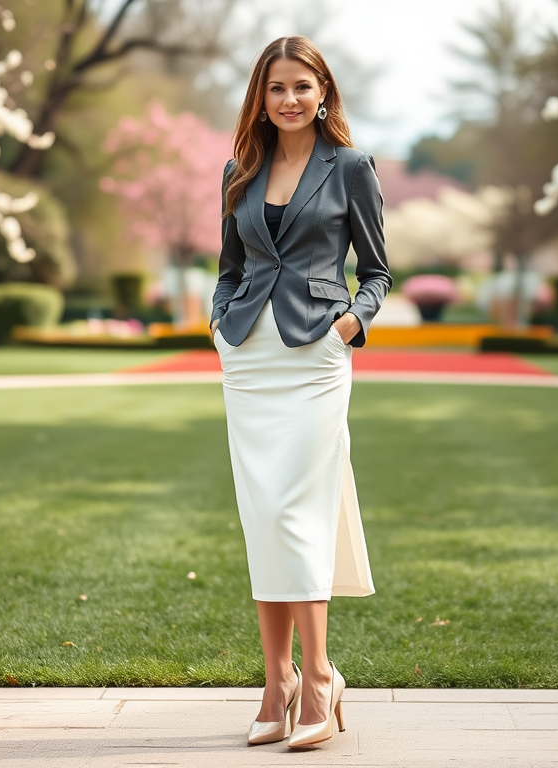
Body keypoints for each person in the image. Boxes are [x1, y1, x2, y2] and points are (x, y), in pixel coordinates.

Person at [209, 36, 390, 748]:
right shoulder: (239, 170)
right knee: (262, 514)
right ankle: (276, 679)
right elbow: (229, 269)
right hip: (248, 360)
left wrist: (350, 322)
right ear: (262, 95)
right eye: (276, 88)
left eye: (302, 87)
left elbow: (377, 271)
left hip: (316, 358)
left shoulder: (350, 168)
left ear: (323, 94)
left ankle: (319, 677)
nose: (289, 99)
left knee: (295, 510)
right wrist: (220, 324)